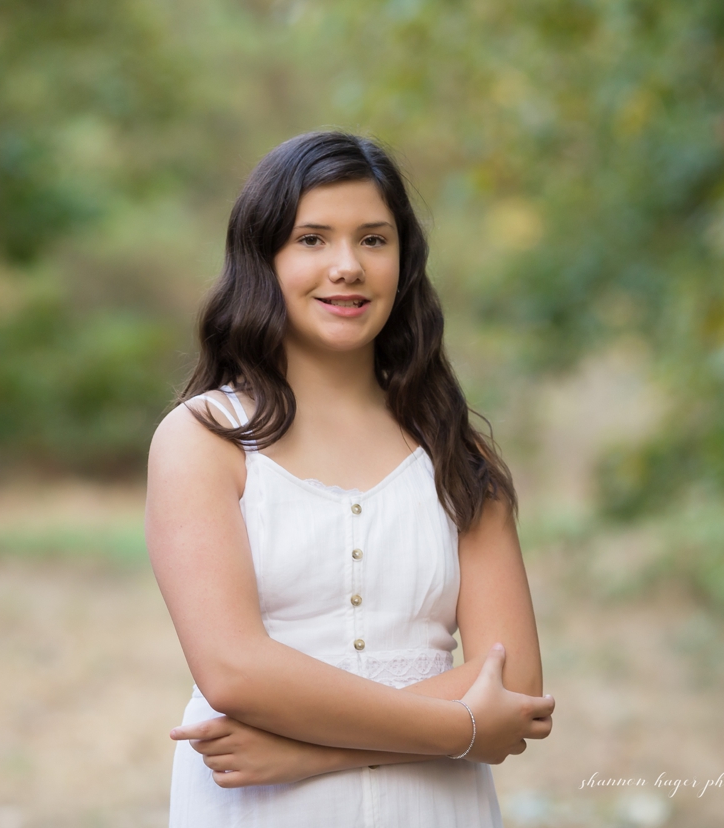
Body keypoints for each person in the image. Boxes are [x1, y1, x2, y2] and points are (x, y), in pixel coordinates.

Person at [146, 131, 556, 826]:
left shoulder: (457, 453)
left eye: (373, 239)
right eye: (312, 240)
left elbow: (513, 681)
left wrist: (308, 750)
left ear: (403, 260)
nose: (347, 266)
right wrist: (461, 726)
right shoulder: (204, 440)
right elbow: (236, 671)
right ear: (263, 259)